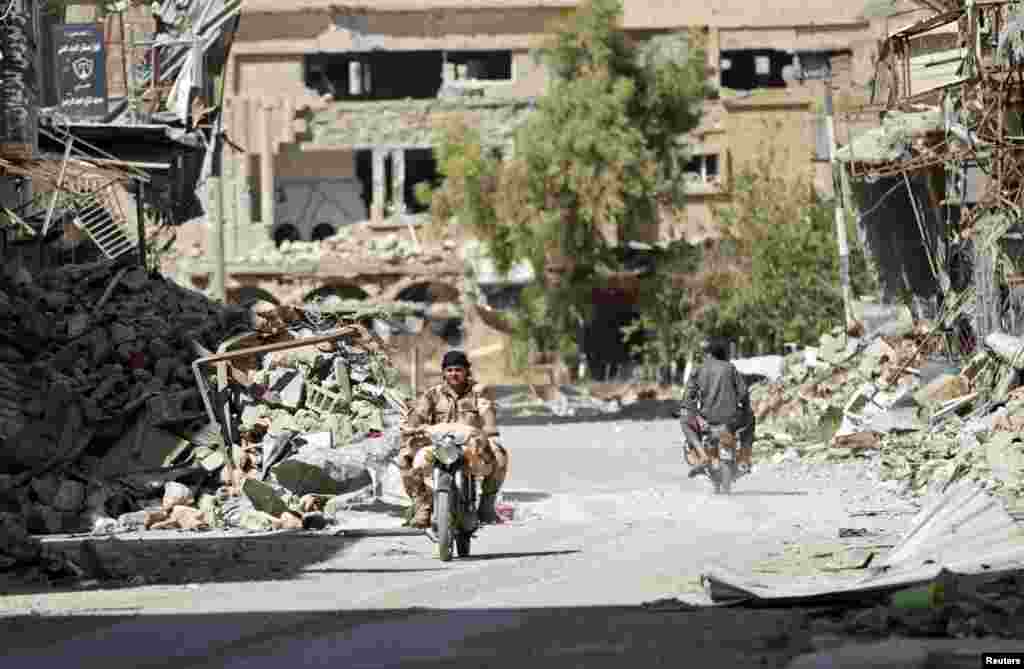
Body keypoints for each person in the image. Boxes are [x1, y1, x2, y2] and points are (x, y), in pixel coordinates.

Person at [399, 350, 509, 528]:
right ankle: (423, 505)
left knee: (499, 454)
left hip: (471, 444)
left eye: (458, 369)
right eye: (449, 370)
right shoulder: (432, 394)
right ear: (443, 372)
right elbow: (417, 416)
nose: (454, 374)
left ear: (467, 371)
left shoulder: (477, 392)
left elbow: (486, 410)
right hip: (438, 444)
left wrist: (489, 426)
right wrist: (411, 428)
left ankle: (487, 505)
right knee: (405, 456)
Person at [680, 336, 753, 478]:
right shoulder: (730, 368)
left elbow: (688, 398)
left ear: (708, 353)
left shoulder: (698, 370)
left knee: (685, 422)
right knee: (751, 420)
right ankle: (744, 457)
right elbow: (743, 393)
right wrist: (745, 409)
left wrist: (689, 411)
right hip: (732, 421)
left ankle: (702, 455)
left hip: (708, 420)